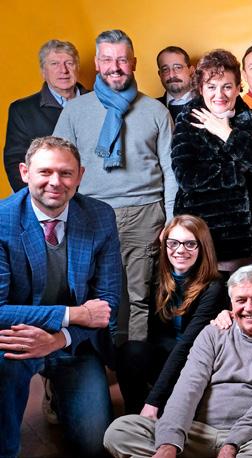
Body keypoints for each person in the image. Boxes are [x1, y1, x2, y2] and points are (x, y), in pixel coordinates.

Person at [103, 266, 252, 458]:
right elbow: (187, 389)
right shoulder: (214, 332)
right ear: (231, 303)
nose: (249, 307)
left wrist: (231, 446)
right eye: (241, 300)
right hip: (198, 434)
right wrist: (169, 444)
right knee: (119, 431)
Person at [0, 136, 119, 458]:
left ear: (80, 176)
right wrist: (72, 314)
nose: (55, 182)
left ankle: (57, 386)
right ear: (25, 173)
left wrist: (60, 337)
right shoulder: (2, 220)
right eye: (45, 172)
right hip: (17, 340)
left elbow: (107, 301)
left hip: (73, 341)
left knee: (94, 445)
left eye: (66, 173)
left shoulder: (100, 216)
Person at [54, 29, 176, 343]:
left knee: (140, 298)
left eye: (122, 60)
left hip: (145, 214)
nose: (115, 67)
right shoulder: (75, 111)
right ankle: (99, 362)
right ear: (97, 63)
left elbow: (171, 170)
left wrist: (172, 220)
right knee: (91, 296)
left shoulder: (156, 111)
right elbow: (59, 165)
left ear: (134, 63)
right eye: (107, 60)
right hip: (89, 213)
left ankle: (134, 362)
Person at [171, 48, 252, 272]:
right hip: (210, 243)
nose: (219, 94)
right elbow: (187, 178)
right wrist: (244, 159)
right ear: (201, 89)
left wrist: (227, 134)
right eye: (211, 87)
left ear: (239, 87)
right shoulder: (187, 122)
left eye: (227, 86)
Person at [114, 215, 228, 419]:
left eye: (190, 244)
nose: (180, 250)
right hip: (168, 356)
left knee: (165, 408)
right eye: (173, 243)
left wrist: (153, 401)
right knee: (130, 352)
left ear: (203, 247)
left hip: (196, 360)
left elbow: (187, 344)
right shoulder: (160, 280)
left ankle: (157, 410)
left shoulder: (214, 287)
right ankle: (136, 419)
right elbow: (156, 338)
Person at [5, 39, 84, 192]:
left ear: (77, 67)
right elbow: (15, 163)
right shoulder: (22, 110)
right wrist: (38, 200)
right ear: (43, 71)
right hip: (48, 196)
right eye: (54, 64)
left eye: (69, 63)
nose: (63, 70)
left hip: (97, 195)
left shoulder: (100, 103)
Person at [155, 46, 195, 120]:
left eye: (178, 67)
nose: (171, 75)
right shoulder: (151, 108)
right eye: (165, 69)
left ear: (191, 71)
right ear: (160, 74)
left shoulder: (211, 105)